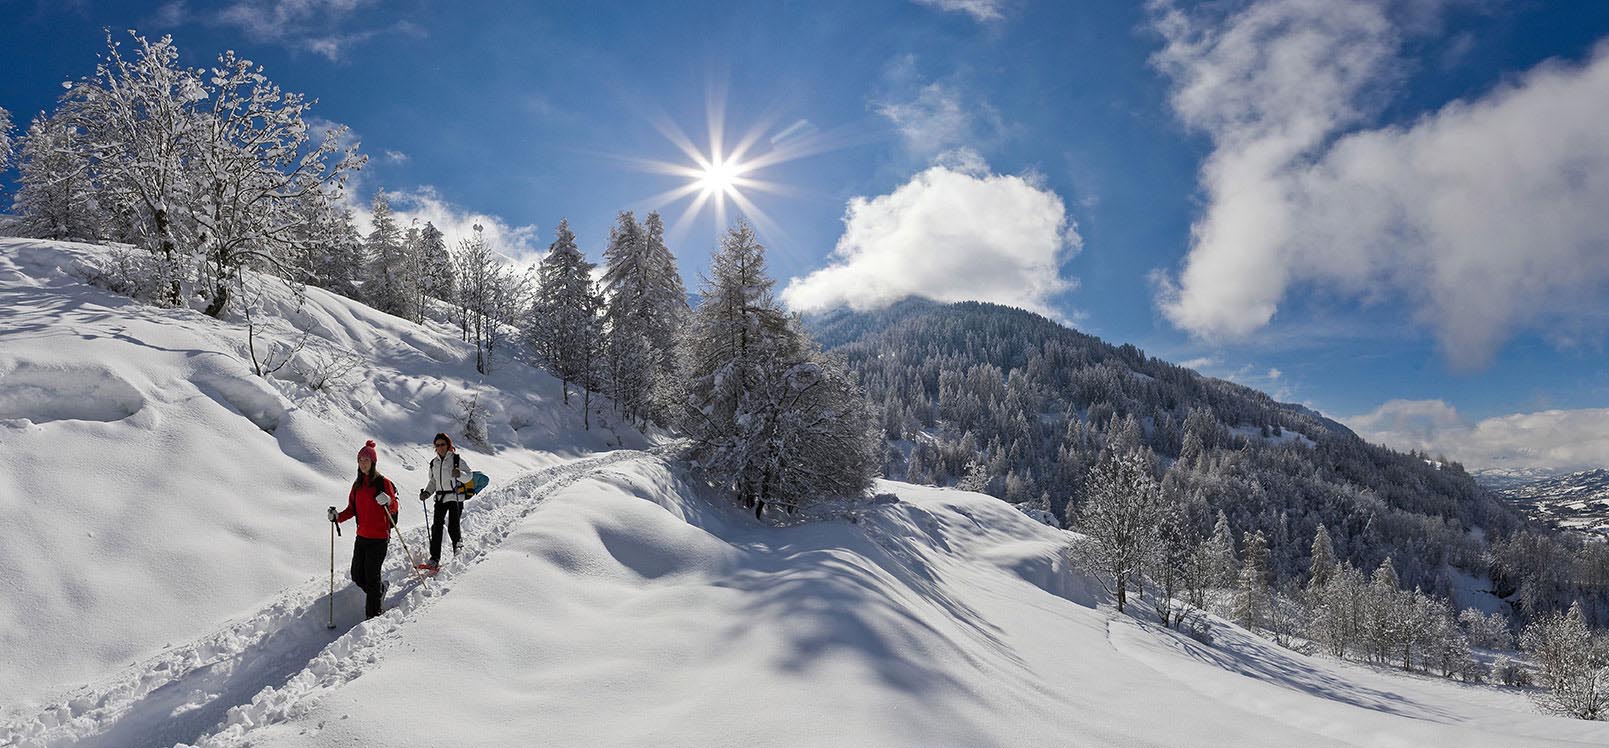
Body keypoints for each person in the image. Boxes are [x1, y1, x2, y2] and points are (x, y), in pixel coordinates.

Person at [328, 439, 399, 619]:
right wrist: (337, 517)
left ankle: (373, 615)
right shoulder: (357, 485)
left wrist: (388, 501)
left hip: (379, 538)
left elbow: (394, 507)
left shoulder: (383, 483)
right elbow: (351, 509)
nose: (363, 463)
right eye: (360, 460)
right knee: (357, 575)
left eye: (366, 459)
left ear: (373, 462)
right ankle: (379, 591)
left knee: (372, 576)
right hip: (362, 537)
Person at [420, 432, 470, 569]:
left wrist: (459, 474)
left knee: (454, 525)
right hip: (440, 498)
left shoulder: (456, 459)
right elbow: (434, 481)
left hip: (455, 496)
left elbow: (469, 476)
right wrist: (427, 493)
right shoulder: (434, 463)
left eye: (443, 444)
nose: (440, 447)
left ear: (448, 445)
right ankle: (434, 558)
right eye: (437, 445)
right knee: (436, 527)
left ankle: (458, 549)